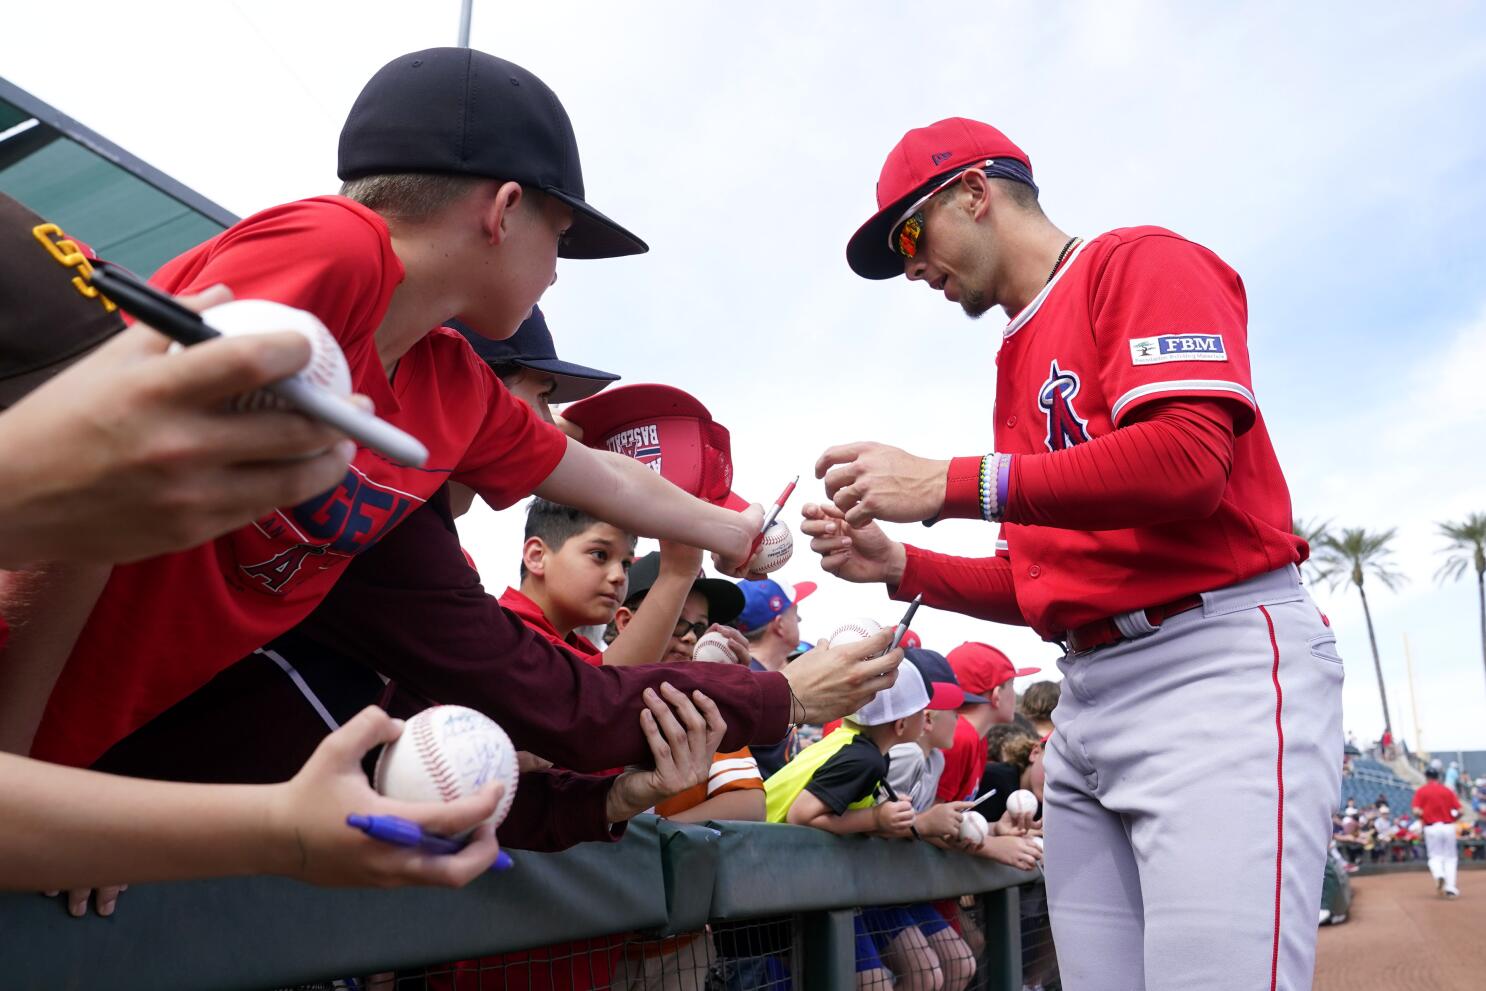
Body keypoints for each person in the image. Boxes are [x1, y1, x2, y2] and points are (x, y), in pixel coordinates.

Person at [27, 48, 772, 773]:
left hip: (79, 750)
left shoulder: (450, 384)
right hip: (22, 704)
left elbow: (602, 477)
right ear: (505, 209)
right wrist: (33, 762)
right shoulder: (337, 245)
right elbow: (93, 497)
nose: (555, 271)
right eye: (561, 237)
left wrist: (731, 529)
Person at [805, 116, 1343, 990]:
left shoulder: (1136, 261)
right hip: (1092, 689)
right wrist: (901, 567)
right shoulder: (1014, 353)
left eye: (911, 232)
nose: (910, 266)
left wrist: (950, 482)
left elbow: (1188, 459)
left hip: (1212, 669)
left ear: (976, 191)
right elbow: (1044, 584)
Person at [763, 665, 925, 991]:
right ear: (902, 723)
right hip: (767, 878)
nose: (927, 717)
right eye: (923, 711)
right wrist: (877, 819)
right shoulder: (866, 759)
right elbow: (802, 815)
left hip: (773, 876)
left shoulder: (850, 741)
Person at [734, 578, 817, 777]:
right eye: (795, 615)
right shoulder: (754, 684)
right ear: (779, 625)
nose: (800, 620)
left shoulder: (745, 674)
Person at [1412, 767, 1463, 897]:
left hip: (1431, 827)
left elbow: (1416, 811)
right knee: (1450, 858)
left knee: (1435, 857)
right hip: (1448, 826)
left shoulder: (1422, 791)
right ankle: (1450, 888)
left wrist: (1422, 817)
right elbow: (1461, 811)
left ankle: (1439, 874)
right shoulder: (1447, 790)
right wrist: (1453, 818)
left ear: (1426, 777)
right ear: (1438, 777)